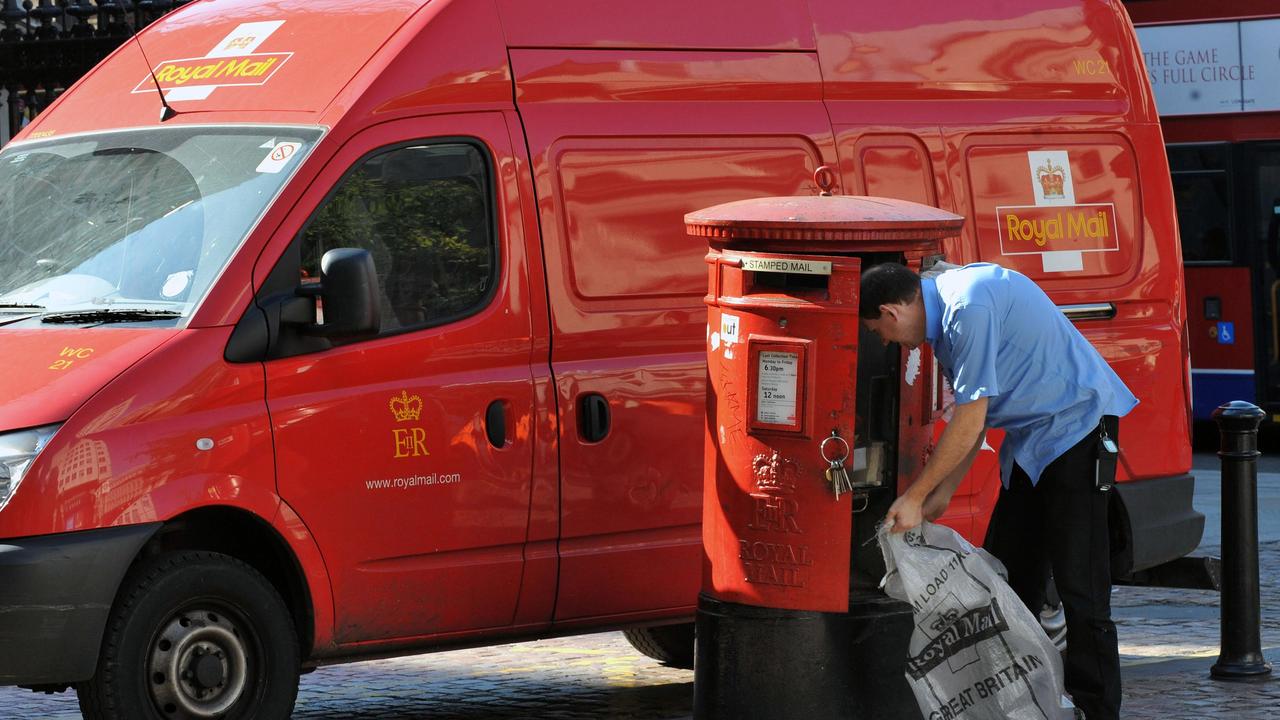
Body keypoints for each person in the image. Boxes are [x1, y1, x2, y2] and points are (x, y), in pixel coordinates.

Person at [860, 261, 1136, 720]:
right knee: (1010, 580)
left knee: (1081, 588)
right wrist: (943, 493)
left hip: (1078, 427)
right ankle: (1019, 703)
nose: (885, 342)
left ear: (891, 311)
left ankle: (1097, 710)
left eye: (879, 330)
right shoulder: (945, 320)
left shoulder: (965, 307)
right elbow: (978, 416)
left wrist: (914, 496)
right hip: (1034, 442)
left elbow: (970, 418)